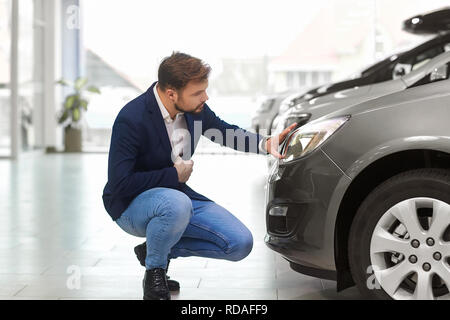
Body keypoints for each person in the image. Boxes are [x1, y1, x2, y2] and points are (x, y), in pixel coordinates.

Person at [102, 52, 298, 300]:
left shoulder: (194, 111)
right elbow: (120, 184)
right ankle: (155, 271)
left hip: (175, 199)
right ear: (171, 93)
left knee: (239, 243)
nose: (205, 97)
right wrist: (172, 175)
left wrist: (265, 143)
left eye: (204, 90)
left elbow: (225, 132)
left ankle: (155, 249)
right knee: (176, 204)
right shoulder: (132, 118)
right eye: (197, 92)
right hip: (130, 205)